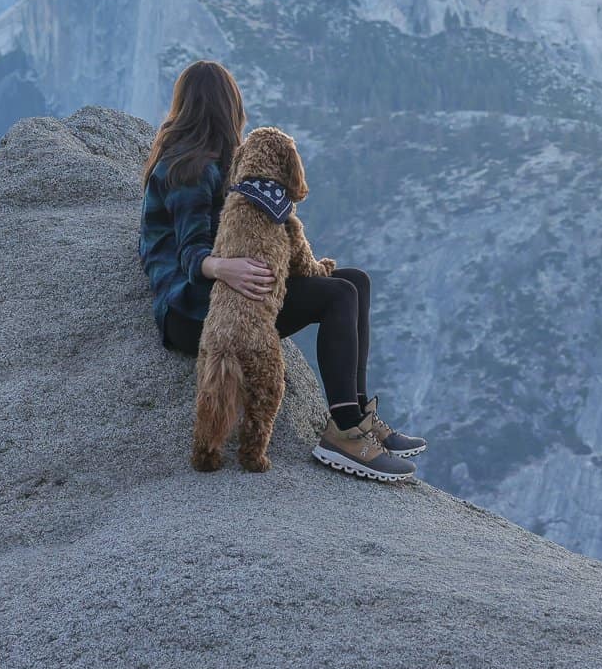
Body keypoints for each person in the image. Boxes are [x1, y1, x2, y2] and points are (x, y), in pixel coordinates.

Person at [139, 59, 426, 482]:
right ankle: (344, 432)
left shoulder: (220, 163)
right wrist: (220, 267)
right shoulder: (187, 168)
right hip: (194, 311)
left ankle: (359, 417)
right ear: (227, 107)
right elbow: (188, 251)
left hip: (229, 295)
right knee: (338, 296)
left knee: (355, 281)